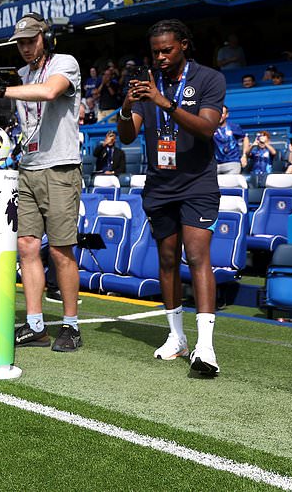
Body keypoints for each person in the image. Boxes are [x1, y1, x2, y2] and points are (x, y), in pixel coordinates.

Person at [0, 13, 83, 352]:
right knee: (27, 247)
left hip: (60, 167)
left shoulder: (65, 62)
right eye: (19, 42)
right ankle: (35, 325)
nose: (24, 48)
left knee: (62, 250)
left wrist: (0, 89)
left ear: (45, 39)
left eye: (30, 40)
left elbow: (49, 93)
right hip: (28, 166)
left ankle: (71, 326)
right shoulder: (21, 75)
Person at [117, 19, 224, 376]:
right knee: (166, 260)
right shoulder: (146, 85)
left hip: (197, 182)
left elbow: (207, 127)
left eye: (167, 50)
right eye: (155, 52)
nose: (160, 57)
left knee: (196, 255)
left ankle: (205, 346)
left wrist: (164, 103)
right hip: (160, 185)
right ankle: (176, 337)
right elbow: (129, 134)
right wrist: (125, 106)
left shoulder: (208, 79)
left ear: (184, 46)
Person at [213, 107, 245, 174]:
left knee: (231, 183)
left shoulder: (233, 127)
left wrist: (244, 155)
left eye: (222, 113)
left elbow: (245, 138)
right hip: (216, 164)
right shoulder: (211, 128)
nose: (219, 115)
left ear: (227, 115)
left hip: (232, 162)